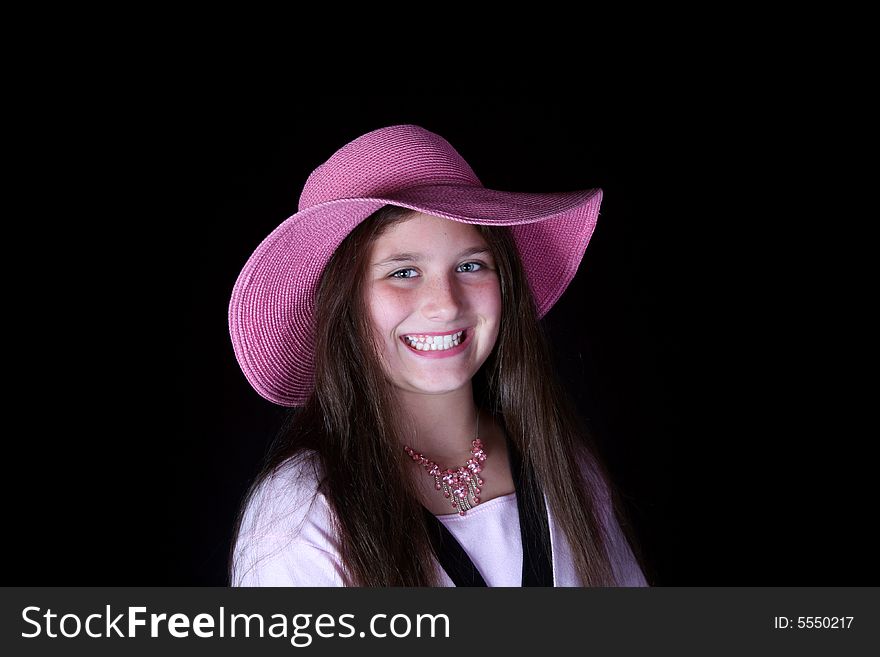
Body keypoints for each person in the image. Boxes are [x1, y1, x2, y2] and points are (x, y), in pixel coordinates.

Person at [227, 124, 650, 587]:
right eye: (404, 272)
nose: (446, 303)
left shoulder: (564, 466)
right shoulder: (304, 513)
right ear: (342, 304)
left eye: (470, 266)